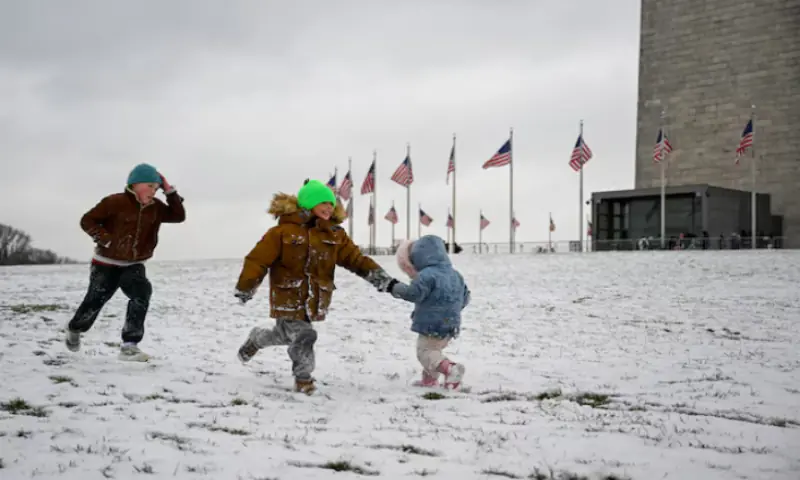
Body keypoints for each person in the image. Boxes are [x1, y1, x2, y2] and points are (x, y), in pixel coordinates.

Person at [234, 179, 395, 395]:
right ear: (308, 204)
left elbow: (356, 260)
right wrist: (247, 286)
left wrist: (382, 279)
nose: (329, 207)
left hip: (316, 298)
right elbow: (257, 260)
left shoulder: (334, 234)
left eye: (331, 204)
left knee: (284, 335)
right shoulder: (281, 232)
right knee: (304, 335)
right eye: (323, 203)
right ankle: (303, 379)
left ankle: (257, 338)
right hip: (288, 294)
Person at [65, 163, 186, 361]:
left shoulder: (156, 208)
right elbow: (87, 220)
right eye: (150, 186)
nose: (153, 191)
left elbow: (178, 216)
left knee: (141, 294)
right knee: (95, 301)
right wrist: (106, 239)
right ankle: (75, 327)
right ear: (135, 184)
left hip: (134, 264)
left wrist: (170, 192)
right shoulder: (115, 202)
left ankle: (130, 345)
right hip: (105, 263)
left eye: (156, 188)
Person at [387, 235, 470, 390]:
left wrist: (394, 287)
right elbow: (465, 297)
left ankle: (450, 369)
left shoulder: (426, 275)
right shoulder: (455, 274)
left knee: (425, 352)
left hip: (432, 323)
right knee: (434, 350)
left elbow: (414, 293)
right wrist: (452, 310)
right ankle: (429, 381)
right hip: (451, 323)